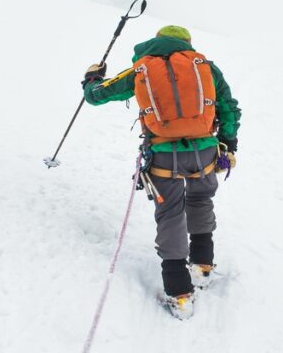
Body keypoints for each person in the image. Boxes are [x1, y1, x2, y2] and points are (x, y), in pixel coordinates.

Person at [81, 25, 241, 319]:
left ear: (157, 42)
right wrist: (229, 142)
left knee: (170, 213)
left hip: (164, 154)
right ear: (187, 44)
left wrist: (92, 78)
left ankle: (180, 293)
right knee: (201, 200)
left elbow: (97, 96)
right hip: (205, 150)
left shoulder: (142, 68)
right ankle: (203, 266)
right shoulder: (205, 67)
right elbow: (228, 106)